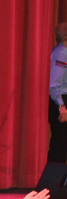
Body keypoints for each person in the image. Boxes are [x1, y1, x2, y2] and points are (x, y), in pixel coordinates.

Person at [48, 23, 67, 163]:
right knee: (60, 143)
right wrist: (61, 106)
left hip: (61, 101)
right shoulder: (62, 53)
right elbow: (54, 83)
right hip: (60, 102)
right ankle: (53, 182)